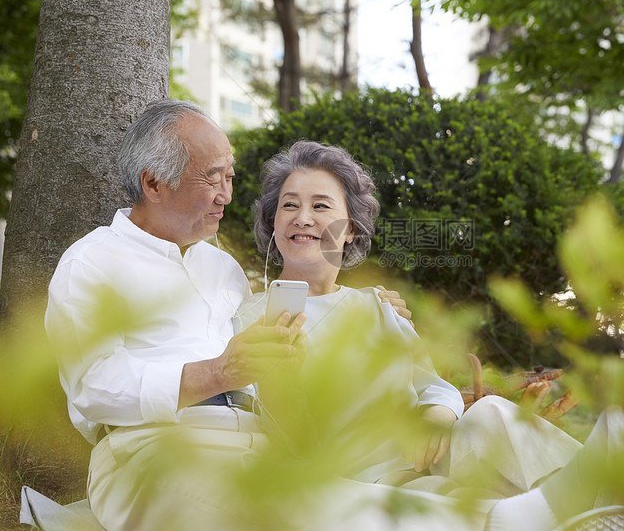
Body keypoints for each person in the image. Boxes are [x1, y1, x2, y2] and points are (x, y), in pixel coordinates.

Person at [42, 100, 415, 531]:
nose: (227, 195)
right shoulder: (92, 262)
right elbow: (93, 385)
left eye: (230, 176)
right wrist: (217, 373)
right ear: (154, 183)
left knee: (368, 510)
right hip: (155, 449)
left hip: (261, 445)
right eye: (212, 177)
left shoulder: (223, 269)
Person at [230, 140, 624, 531]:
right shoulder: (253, 318)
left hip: (431, 453)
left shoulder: (377, 306)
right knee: (488, 499)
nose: (303, 217)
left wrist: (436, 418)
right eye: (289, 206)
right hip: (362, 483)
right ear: (273, 223)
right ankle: (601, 503)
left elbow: (435, 387)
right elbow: (282, 436)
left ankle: (618, 497)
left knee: (490, 415)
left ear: (351, 228)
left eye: (320, 205)